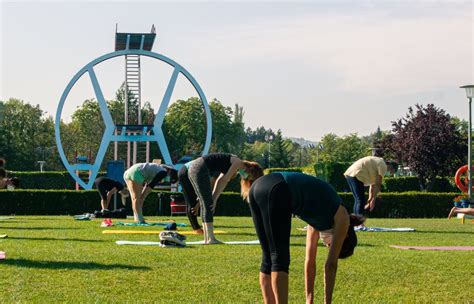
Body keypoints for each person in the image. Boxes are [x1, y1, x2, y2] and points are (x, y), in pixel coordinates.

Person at [246, 171, 365, 304]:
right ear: (345, 237)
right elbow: (330, 265)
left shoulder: (318, 218)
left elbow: (310, 261)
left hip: (258, 186)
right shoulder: (342, 217)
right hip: (278, 189)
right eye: (330, 245)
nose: (326, 245)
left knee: (268, 258)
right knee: (279, 260)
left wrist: (309, 299)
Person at [179, 153, 263, 243]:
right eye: (249, 176)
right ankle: (211, 238)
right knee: (207, 204)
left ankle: (207, 238)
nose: (246, 178)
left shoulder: (233, 164)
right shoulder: (238, 163)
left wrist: (214, 199)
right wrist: (213, 200)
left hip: (194, 168)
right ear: (250, 169)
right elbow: (225, 180)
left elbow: (219, 181)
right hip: (199, 168)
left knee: (207, 204)